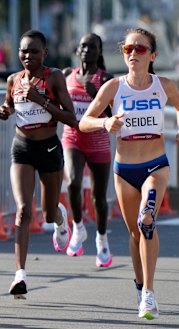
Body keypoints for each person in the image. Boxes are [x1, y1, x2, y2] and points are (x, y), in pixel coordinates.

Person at [80, 28, 179, 320]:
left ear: (152, 55)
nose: (133, 53)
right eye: (128, 48)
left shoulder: (162, 85)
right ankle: (140, 286)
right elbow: (84, 121)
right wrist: (105, 125)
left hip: (155, 165)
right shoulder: (113, 88)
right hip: (124, 169)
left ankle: (150, 295)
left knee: (147, 220)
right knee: (134, 232)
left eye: (140, 49)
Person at [0, 30, 77, 299]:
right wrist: (5, 112)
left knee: (48, 212)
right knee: (22, 210)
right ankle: (20, 274)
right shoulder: (13, 80)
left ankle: (60, 217)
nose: (27, 56)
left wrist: (41, 100)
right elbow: (9, 106)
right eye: (23, 51)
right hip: (22, 148)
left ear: (45, 53)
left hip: (49, 147)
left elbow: (71, 118)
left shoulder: (53, 77)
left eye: (33, 51)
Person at [61, 33, 114, 266]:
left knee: (98, 197)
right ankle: (78, 227)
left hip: (98, 142)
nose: (86, 50)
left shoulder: (107, 80)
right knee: (72, 182)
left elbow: (115, 117)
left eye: (92, 47)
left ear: (99, 51)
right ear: (77, 50)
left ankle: (102, 238)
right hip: (72, 137)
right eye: (83, 46)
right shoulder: (66, 75)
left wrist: (96, 97)